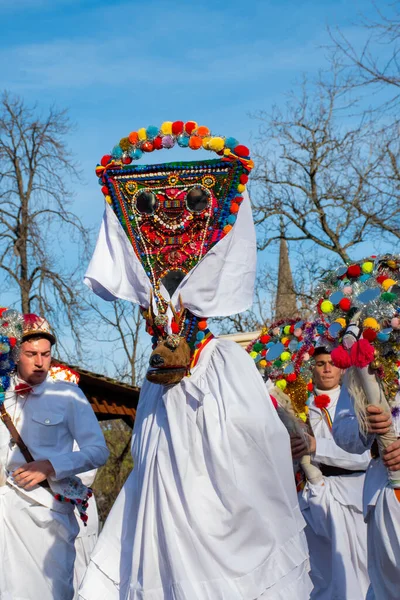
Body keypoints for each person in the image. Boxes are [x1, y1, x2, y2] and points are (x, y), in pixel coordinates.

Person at [79, 121, 312, 599]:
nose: (164, 335)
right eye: (155, 317)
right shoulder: (154, 381)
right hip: (164, 515)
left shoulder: (226, 365)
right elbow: (149, 454)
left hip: (220, 514)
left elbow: (255, 451)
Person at [0, 313, 109, 600]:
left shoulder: (68, 395)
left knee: (50, 593)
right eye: (31, 354)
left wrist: (50, 466)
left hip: (48, 516)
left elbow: (98, 451)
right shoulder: (2, 394)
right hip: (5, 512)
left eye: (45, 354)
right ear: (15, 353)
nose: (39, 361)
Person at [290, 346, 370, 599]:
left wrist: (316, 447)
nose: (327, 369)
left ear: (342, 367)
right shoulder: (298, 403)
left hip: (355, 494)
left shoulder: (355, 399)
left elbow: (365, 454)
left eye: (332, 363)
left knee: (361, 567)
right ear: (311, 367)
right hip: (316, 493)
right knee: (325, 571)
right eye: (320, 363)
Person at [332, 380, 400, 600]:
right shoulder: (364, 360)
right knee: (388, 586)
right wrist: (365, 423)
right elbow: (342, 430)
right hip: (387, 485)